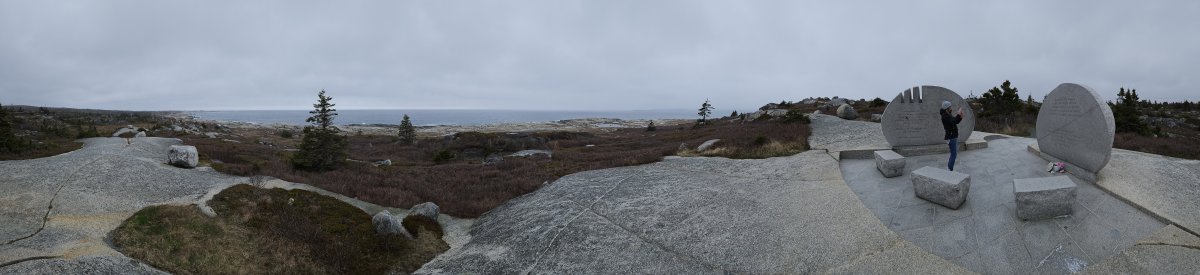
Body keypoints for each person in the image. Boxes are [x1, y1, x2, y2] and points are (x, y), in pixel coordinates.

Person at [940, 100, 964, 171]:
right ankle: (949, 169)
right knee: (954, 154)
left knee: (953, 154)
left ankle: (949, 169)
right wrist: (958, 114)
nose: (951, 108)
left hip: (952, 136)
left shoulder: (948, 114)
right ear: (947, 108)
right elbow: (953, 121)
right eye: (950, 107)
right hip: (951, 137)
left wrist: (960, 117)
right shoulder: (945, 116)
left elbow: (955, 121)